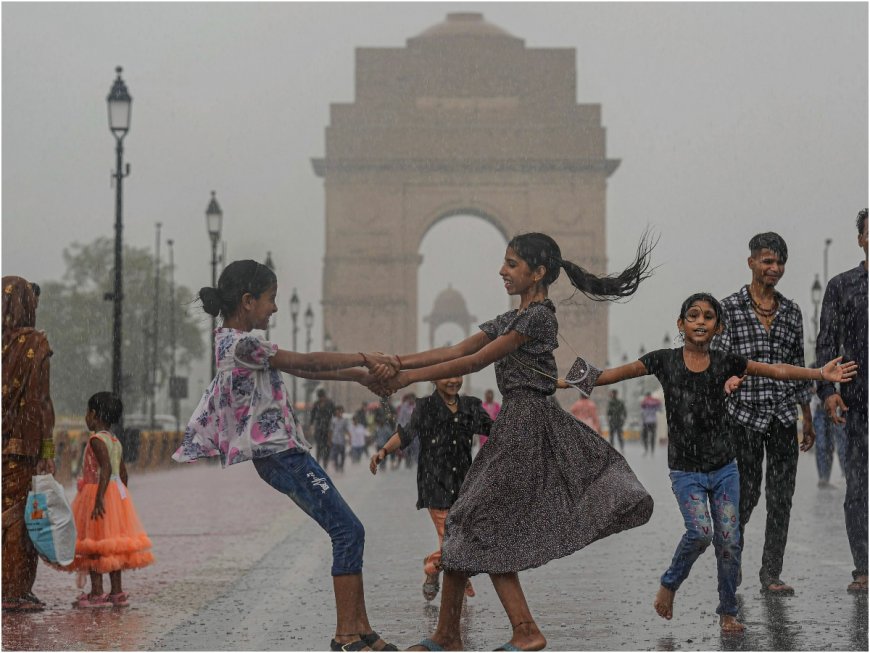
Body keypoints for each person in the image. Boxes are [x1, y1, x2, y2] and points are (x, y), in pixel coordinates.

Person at [373, 231, 656, 651]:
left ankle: (491, 634)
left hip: (528, 424)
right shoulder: (513, 317)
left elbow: (474, 361)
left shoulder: (539, 316)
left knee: (471, 519)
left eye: (511, 264)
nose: (501, 271)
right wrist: (394, 362)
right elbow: (456, 348)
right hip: (515, 422)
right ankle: (473, 633)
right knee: (471, 521)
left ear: (538, 272)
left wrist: (406, 379)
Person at [588, 293, 856, 634]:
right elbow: (615, 374)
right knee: (700, 533)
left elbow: (775, 370)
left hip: (724, 468)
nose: (701, 321)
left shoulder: (726, 361)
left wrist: (818, 371)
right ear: (681, 323)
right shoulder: (663, 360)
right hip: (686, 471)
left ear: (718, 326)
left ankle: (728, 611)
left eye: (709, 317)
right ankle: (670, 583)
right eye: (694, 315)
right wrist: (568, 380)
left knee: (729, 539)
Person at [172, 259, 398, 652]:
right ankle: (347, 635)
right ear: (247, 301)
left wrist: (359, 377)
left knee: (349, 531)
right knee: (347, 531)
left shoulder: (237, 343)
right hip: (281, 455)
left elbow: (307, 371)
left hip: (283, 454)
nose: (275, 308)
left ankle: (361, 629)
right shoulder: (242, 343)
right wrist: (362, 357)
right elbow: (306, 361)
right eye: (270, 299)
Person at [712, 232, 815, 595]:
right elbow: (720, 365)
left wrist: (807, 414)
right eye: (768, 261)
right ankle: (732, 563)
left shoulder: (791, 312)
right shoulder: (728, 310)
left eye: (780, 262)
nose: (774, 269)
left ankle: (771, 573)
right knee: (747, 494)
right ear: (751, 262)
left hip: (783, 416)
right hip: (744, 418)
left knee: (781, 496)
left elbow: (798, 365)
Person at [370, 376, 492, 603]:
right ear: (436, 379)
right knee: (452, 538)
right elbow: (406, 434)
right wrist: (383, 451)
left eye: (458, 375)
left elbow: (494, 431)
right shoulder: (425, 407)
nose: (453, 380)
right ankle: (454, 590)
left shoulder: (470, 406)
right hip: (435, 483)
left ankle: (433, 566)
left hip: (464, 484)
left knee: (462, 537)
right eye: (448, 376)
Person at [816, 208, 868, 593]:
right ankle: (863, 566)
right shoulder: (842, 286)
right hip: (859, 402)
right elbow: (826, 345)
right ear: (861, 239)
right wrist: (828, 392)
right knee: (859, 488)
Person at [68, 392, 154, 608]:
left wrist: (99, 499)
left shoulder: (96, 440)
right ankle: (117, 591)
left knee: (95, 545)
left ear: (94, 415)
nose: (86, 418)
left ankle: (96, 592)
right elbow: (123, 473)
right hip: (115, 494)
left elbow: (105, 468)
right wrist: (121, 498)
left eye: (87, 413)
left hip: (97, 493)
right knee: (113, 545)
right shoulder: (114, 441)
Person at [1, 276, 56, 612]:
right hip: (22, 450)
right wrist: (46, 451)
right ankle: (14, 589)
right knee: (20, 519)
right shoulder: (35, 344)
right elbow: (41, 402)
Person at [811, 372, 847, 488]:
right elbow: (805, 388)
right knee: (821, 445)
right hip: (820, 411)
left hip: (836, 411)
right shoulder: (813, 368)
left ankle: (842, 474)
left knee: (833, 446)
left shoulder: (840, 367)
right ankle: (823, 477)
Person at [308, 388, 335, 470]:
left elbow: (334, 414)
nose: (321, 399)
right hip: (319, 428)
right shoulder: (316, 404)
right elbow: (312, 415)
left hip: (328, 428)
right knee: (319, 446)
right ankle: (318, 464)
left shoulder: (330, 403)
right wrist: (311, 425)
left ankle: (325, 464)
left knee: (327, 446)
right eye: (320, 397)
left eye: (322, 397)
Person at [330, 406, 350, 472]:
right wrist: (329, 440)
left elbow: (347, 430)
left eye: (340, 412)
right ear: (336, 412)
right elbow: (331, 430)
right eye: (338, 412)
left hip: (342, 441)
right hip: (335, 440)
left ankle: (341, 467)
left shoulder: (344, 421)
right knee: (335, 455)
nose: (339, 413)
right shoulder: (333, 420)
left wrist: (350, 438)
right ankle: (337, 467)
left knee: (342, 455)